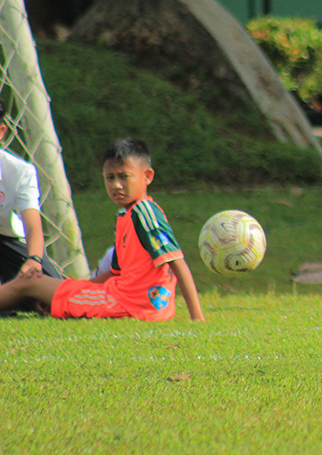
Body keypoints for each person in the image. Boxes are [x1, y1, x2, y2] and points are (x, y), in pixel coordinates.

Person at [0, 138, 205, 322]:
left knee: (30, 283)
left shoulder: (144, 213)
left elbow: (177, 262)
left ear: (147, 176)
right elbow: (115, 273)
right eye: (110, 178)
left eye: (124, 177)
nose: (116, 185)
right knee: (43, 284)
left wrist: (197, 318)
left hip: (131, 303)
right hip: (130, 299)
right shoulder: (128, 215)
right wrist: (75, 290)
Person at [0, 100, 62, 288]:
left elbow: (33, 226)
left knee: (50, 289)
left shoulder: (20, 171)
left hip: (6, 240)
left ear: (1, 132)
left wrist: (34, 260)